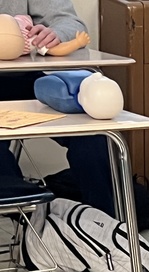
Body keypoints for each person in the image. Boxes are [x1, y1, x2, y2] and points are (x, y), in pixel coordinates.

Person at [0, 0, 115, 216]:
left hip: (25, 78)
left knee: (92, 133)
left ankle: (104, 225)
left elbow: (71, 23)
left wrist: (56, 35)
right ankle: (25, 221)